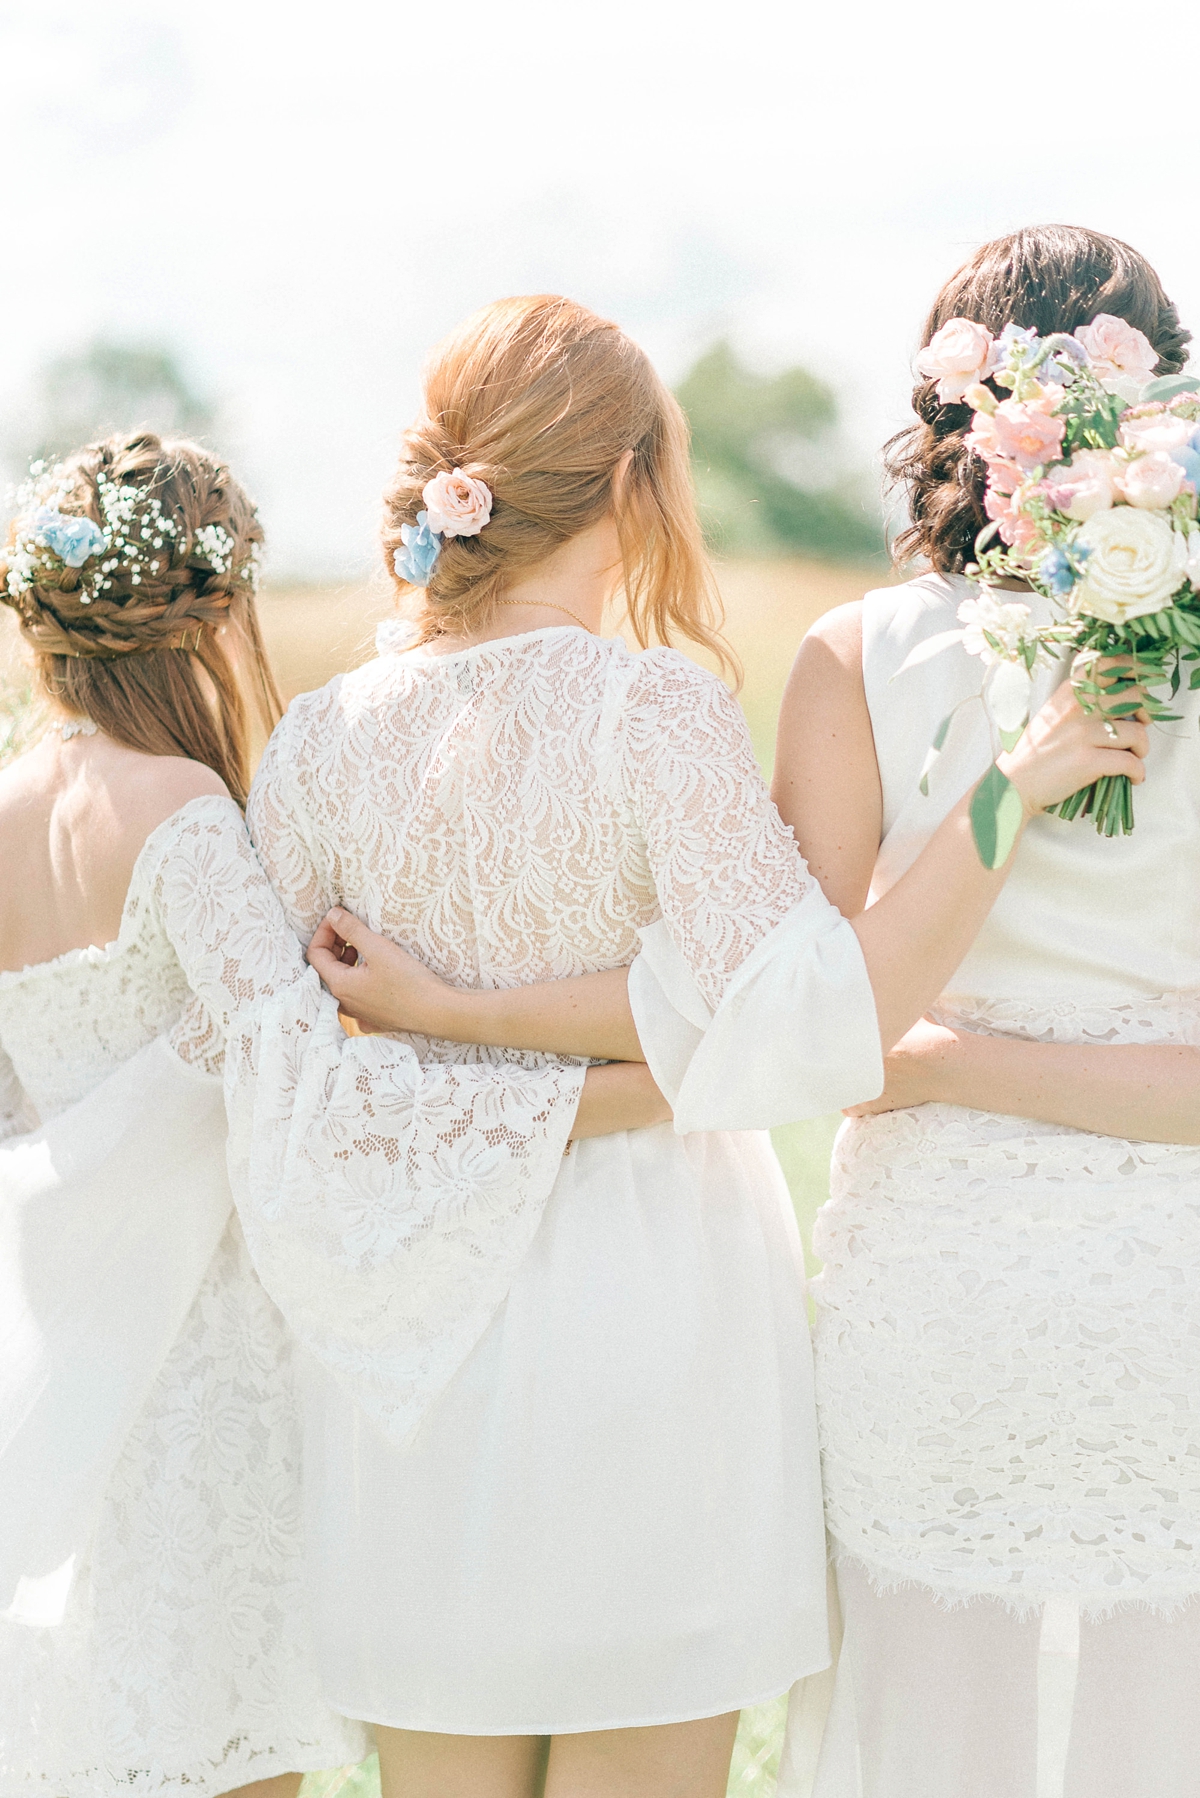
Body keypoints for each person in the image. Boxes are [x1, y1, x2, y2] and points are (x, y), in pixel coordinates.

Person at [296, 293, 1139, 1798]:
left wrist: (449, 1027)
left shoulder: (320, 739)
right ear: (631, 485)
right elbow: (819, 1013)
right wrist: (1018, 780)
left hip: (405, 1349)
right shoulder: (657, 715)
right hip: (649, 1323)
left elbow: (296, 1072)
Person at [0, 433, 649, 1798]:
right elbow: (315, 1088)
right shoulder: (181, 811)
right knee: (224, 1747)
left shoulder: (9, 812)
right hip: (205, 1362)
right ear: (208, 612)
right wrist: (581, 1101)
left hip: (63, 1334)